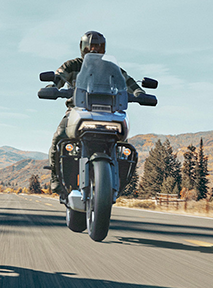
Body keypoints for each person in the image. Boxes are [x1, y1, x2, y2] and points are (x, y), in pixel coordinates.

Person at [46, 31, 144, 195]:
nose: (94, 50)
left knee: (122, 145)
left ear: (103, 49)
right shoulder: (73, 65)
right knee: (59, 137)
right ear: (83, 48)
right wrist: (53, 87)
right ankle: (55, 177)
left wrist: (139, 92)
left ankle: (116, 179)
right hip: (78, 110)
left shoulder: (111, 67)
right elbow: (59, 75)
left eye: (98, 47)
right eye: (90, 46)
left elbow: (127, 80)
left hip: (109, 111)